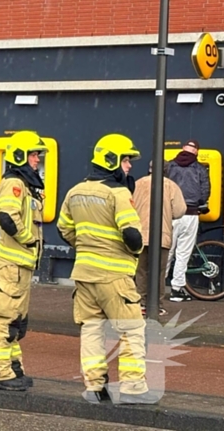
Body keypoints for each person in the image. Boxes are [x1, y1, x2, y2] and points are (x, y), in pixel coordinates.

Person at [57, 133, 156, 404]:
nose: (129, 166)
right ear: (111, 160)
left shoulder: (75, 191)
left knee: (92, 329)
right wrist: (134, 252)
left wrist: (86, 246)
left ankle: (95, 387)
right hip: (115, 277)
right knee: (131, 329)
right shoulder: (119, 193)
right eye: (126, 160)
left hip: (84, 275)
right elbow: (132, 235)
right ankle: (133, 388)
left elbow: (64, 229)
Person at [0, 131, 47, 392]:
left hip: (20, 267)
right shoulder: (14, 183)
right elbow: (7, 217)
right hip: (12, 266)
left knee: (17, 322)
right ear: (20, 156)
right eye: (34, 154)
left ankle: (12, 368)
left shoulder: (25, 186)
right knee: (6, 320)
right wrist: (28, 239)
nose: (37, 159)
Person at [132, 160, 186, 316]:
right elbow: (180, 210)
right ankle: (156, 305)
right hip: (162, 236)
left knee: (141, 271)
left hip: (139, 235)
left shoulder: (137, 184)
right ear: (166, 170)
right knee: (159, 272)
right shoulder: (171, 186)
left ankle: (140, 303)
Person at [165, 140, 210, 302]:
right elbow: (205, 190)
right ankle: (176, 290)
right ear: (196, 152)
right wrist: (202, 203)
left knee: (166, 251)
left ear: (182, 149)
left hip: (170, 214)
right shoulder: (200, 168)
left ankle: (157, 287)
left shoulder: (169, 166)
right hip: (190, 214)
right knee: (183, 253)